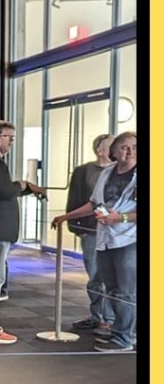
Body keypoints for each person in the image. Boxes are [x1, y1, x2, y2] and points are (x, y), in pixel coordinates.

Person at [52, 131, 136, 353]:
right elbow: (93, 203)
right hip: (105, 239)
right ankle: (118, 329)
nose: (129, 152)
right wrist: (67, 216)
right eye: (125, 147)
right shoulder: (106, 173)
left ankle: (124, 337)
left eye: (134, 147)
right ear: (113, 151)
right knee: (111, 287)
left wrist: (121, 218)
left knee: (126, 291)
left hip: (129, 239)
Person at [0, 119, 45, 344]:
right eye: (8, 137)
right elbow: (5, 190)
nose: (12, 141)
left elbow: (2, 190)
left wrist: (22, 188)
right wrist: (23, 185)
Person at [64, 133, 114, 333]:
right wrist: (76, 226)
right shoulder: (84, 171)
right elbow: (77, 198)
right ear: (100, 150)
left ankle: (109, 318)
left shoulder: (122, 172)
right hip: (91, 231)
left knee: (113, 277)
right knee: (95, 276)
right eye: (112, 145)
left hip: (117, 232)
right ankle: (97, 315)